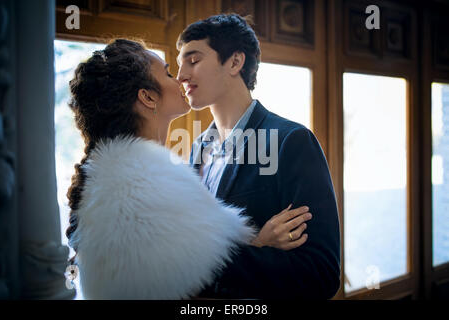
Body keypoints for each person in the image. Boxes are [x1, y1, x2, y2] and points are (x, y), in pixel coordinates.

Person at [65, 39, 312, 299]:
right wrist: (259, 244)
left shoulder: (121, 177)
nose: (180, 78)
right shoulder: (143, 185)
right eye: (169, 73)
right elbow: (198, 285)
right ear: (147, 97)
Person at [176, 14, 341, 299]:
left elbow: (321, 273)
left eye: (193, 60)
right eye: (180, 65)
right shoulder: (198, 148)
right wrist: (255, 245)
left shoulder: (291, 141)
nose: (181, 76)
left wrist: (224, 259)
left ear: (235, 62)